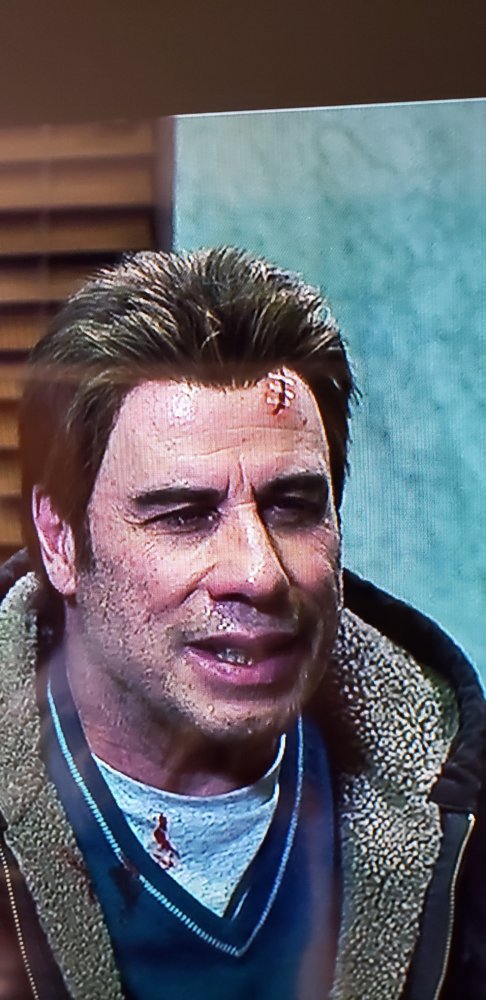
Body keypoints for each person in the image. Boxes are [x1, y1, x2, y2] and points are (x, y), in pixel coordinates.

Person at [0, 248, 484, 1000]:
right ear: (60, 540)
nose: (259, 574)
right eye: (183, 515)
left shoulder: (462, 823)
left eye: (293, 507)